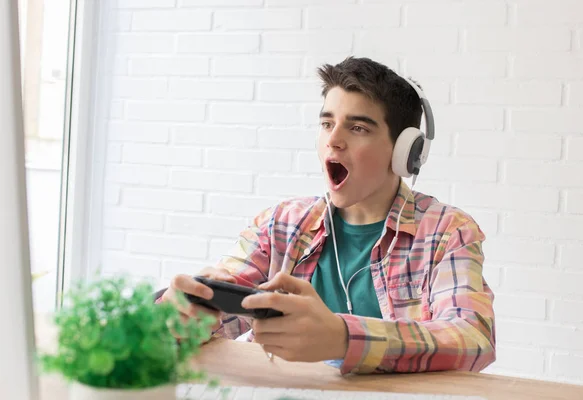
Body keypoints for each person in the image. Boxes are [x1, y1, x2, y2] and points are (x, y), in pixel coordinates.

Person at [158, 56, 496, 375]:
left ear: (405, 152)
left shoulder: (447, 232)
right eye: (326, 123)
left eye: (358, 128)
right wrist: (186, 315)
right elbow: (224, 310)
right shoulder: (281, 224)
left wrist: (343, 338)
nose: (333, 140)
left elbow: (472, 340)